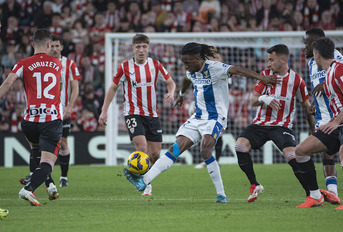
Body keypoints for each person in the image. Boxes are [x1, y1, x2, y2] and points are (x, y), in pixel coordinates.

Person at [122, 42, 279, 203]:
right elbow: (186, 79)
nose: (186, 65)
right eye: (184, 62)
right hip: (197, 117)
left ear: (198, 58)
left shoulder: (215, 68)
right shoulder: (192, 70)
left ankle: (221, 195)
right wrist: (182, 94)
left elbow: (238, 69)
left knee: (205, 149)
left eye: (188, 62)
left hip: (215, 118)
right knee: (175, 148)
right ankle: (144, 180)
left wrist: (262, 78)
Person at [234, 44, 315, 202]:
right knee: (240, 146)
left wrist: (313, 129)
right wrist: (264, 98)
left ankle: (311, 194)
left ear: (283, 59)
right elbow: (253, 100)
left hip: (282, 125)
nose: (268, 63)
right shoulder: (265, 76)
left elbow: (306, 107)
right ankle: (255, 184)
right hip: (260, 124)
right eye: (267, 60)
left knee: (292, 155)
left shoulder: (297, 81)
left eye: (271, 60)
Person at [98, 34, 176, 196]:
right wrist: (104, 110)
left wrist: (171, 92)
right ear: (133, 48)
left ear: (148, 48)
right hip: (132, 113)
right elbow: (112, 88)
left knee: (155, 154)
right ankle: (141, 181)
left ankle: (143, 179)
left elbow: (170, 82)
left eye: (144, 47)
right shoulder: (125, 67)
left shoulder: (156, 65)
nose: (141, 50)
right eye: (138, 47)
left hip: (152, 114)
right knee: (142, 147)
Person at [0, 29, 63, 206]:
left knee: (35, 150)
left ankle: (47, 185)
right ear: (49, 45)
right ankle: (28, 189)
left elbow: (8, 83)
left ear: (32, 44)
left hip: (29, 122)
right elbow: (60, 86)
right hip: (51, 120)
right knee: (48, 163)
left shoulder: (23, 63)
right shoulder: (58, 64)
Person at [19, 37, 80, 188]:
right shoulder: (38, 63)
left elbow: (75, 87)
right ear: (47, 46)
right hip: (41, 113)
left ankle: (63, 177)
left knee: (63, 143)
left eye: (56, 46)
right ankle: (42, 177)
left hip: (61, 111)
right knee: (37, 145)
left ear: (61, 47)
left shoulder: (69, 64)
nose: (54, 48)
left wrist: (69, 107)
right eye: (51, 45)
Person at [295, 38, 343, 209]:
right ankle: (315, 196)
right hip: (336, 124)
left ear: (317, 55)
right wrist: (332, 121)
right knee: (300, 151)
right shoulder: (329, 74)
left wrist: (336, 121)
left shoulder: (341, 69)